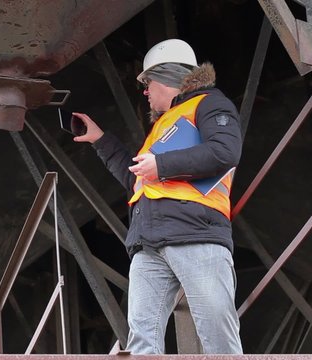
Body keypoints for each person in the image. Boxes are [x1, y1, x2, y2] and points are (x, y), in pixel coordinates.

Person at [73, 38, 243, 354]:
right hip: (149, 244)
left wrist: (161, 164)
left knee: (217, 333)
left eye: (148, 82)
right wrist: (100, 140)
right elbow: (138, 179)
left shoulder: (210, 104)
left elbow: (225, 151)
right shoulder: (162, 126)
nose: (146, 91)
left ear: (168, 76)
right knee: (141, 341)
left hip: (196, 234)